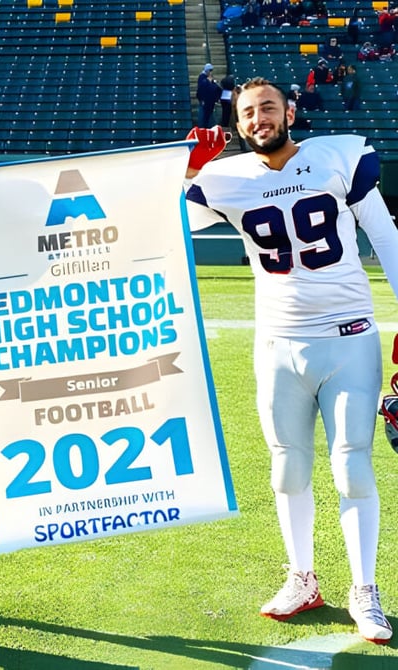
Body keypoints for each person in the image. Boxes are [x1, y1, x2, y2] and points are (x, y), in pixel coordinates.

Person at [184, 77, 396, 645]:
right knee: (288, 468)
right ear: (236, 124)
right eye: (248, 113)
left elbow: (385, 236)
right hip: (278, 343)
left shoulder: (337, 156)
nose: (260, 119)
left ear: (290, 112)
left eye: (268, 108)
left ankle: (364, 588)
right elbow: (168, 224)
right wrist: (189, 172)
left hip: (348, 336)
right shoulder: (225, 178)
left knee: (352, 467)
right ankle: (302, 578)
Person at [195, 63, 220, 128]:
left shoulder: (209, 78)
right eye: (210, 70)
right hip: (205, 100)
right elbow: (202, 89)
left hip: (210, 101)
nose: (211, 72)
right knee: (204, 116)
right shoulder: (202, 78)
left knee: (209, 116)